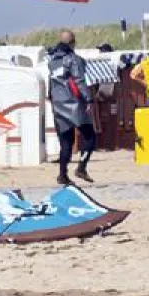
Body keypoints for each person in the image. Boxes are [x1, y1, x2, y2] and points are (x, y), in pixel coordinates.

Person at [49, 30, 95, 184]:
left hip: (57, 106)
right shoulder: (73, 59)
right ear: (73, 43)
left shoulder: (52, 60)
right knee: (90, 136)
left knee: (66, 142)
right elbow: (79, 81)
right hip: (74, 104)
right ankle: (81, 168)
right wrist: (89, 100)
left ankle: (62, 175)